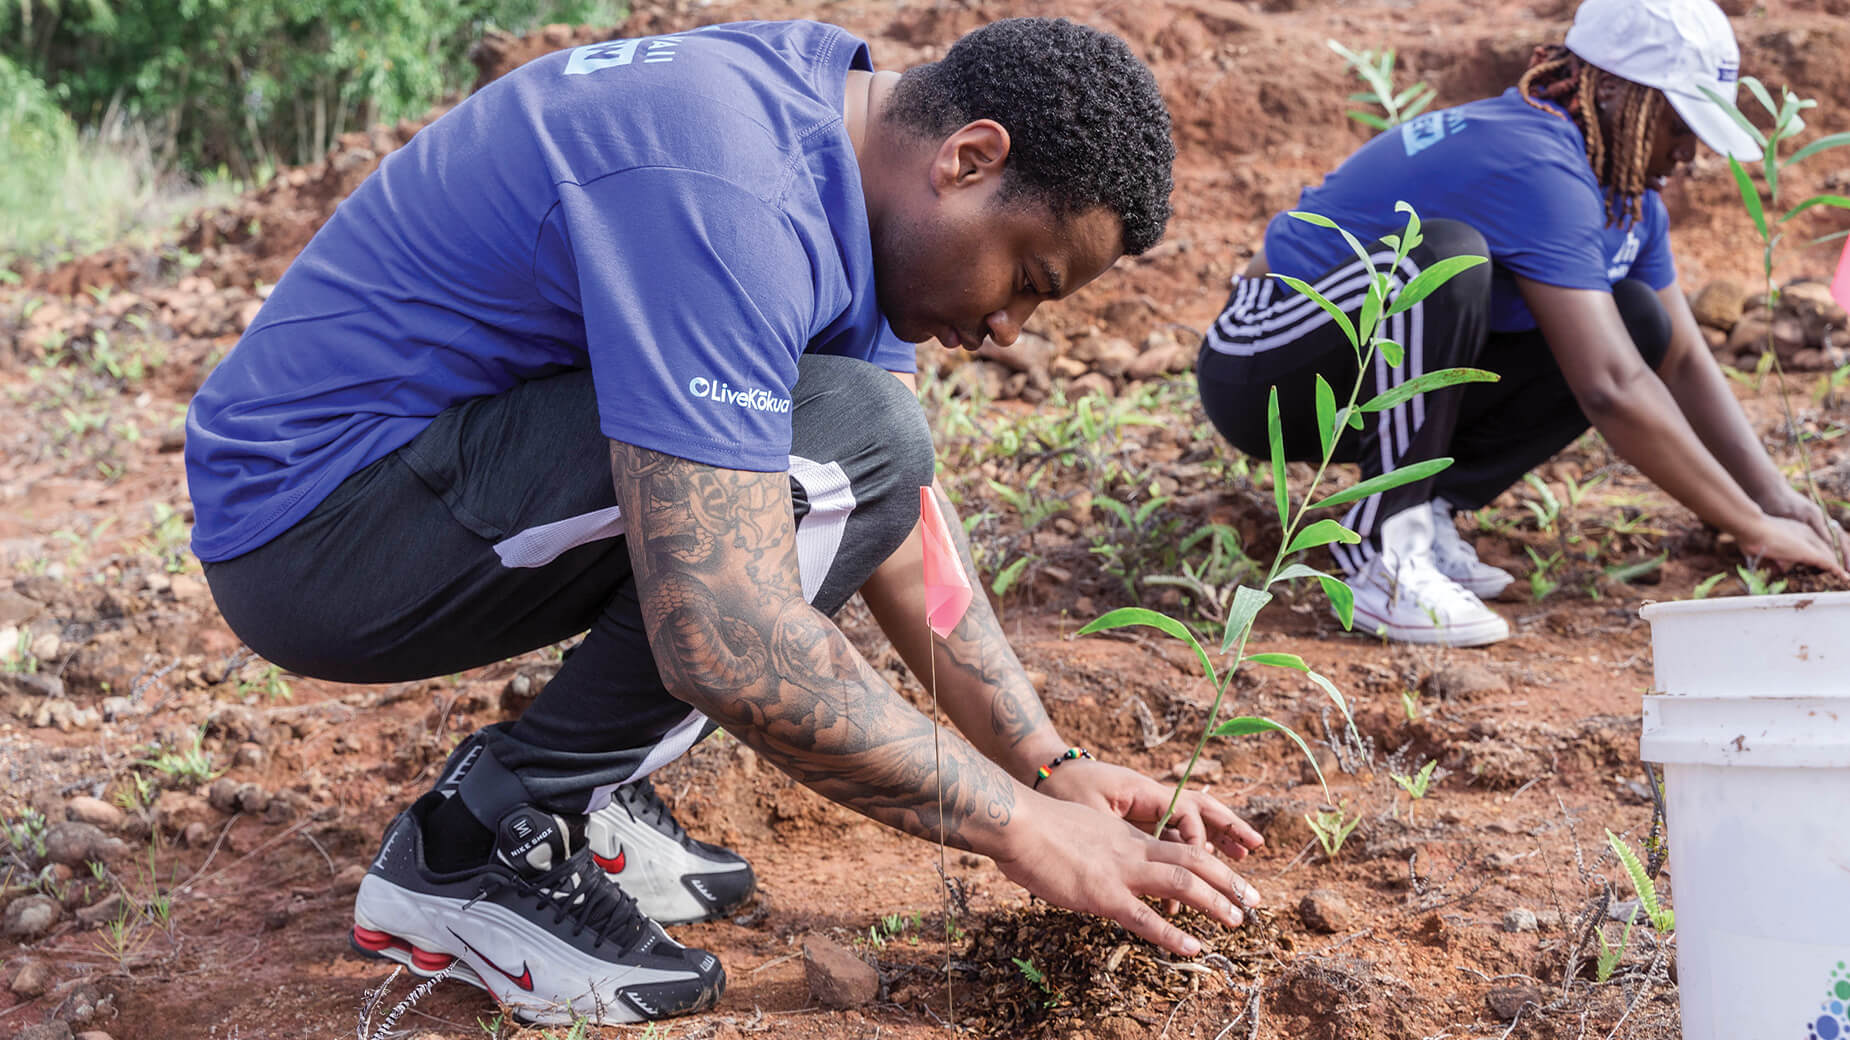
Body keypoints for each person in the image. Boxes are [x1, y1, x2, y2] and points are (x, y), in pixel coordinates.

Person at [185, 17, 1265, 1027]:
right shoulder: (728, 185)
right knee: (843, 446)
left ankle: (584, 781)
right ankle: (478, 843)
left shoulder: (840, 144)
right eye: (1025, 277)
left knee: (862, 440)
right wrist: (1028, 833)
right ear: (968, 159)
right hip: (318, 533)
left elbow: (887, 504)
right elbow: (726, 629)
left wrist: (1044, 759)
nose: (1003, 327)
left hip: (419, 486)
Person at [1196, 0, 1850, 646]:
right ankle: (1386, 550)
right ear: (1620, 96)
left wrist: (1773, 500)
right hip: (1262, 363)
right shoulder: (1534, 159)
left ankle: (1425, 506)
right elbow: (1610, 388)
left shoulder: (1628, 203)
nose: (1689, 156)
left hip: (1360, 374)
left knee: (1637, 318)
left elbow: (1677, 358)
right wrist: (1747, 525)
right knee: (1444, 261)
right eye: (1680, 127)